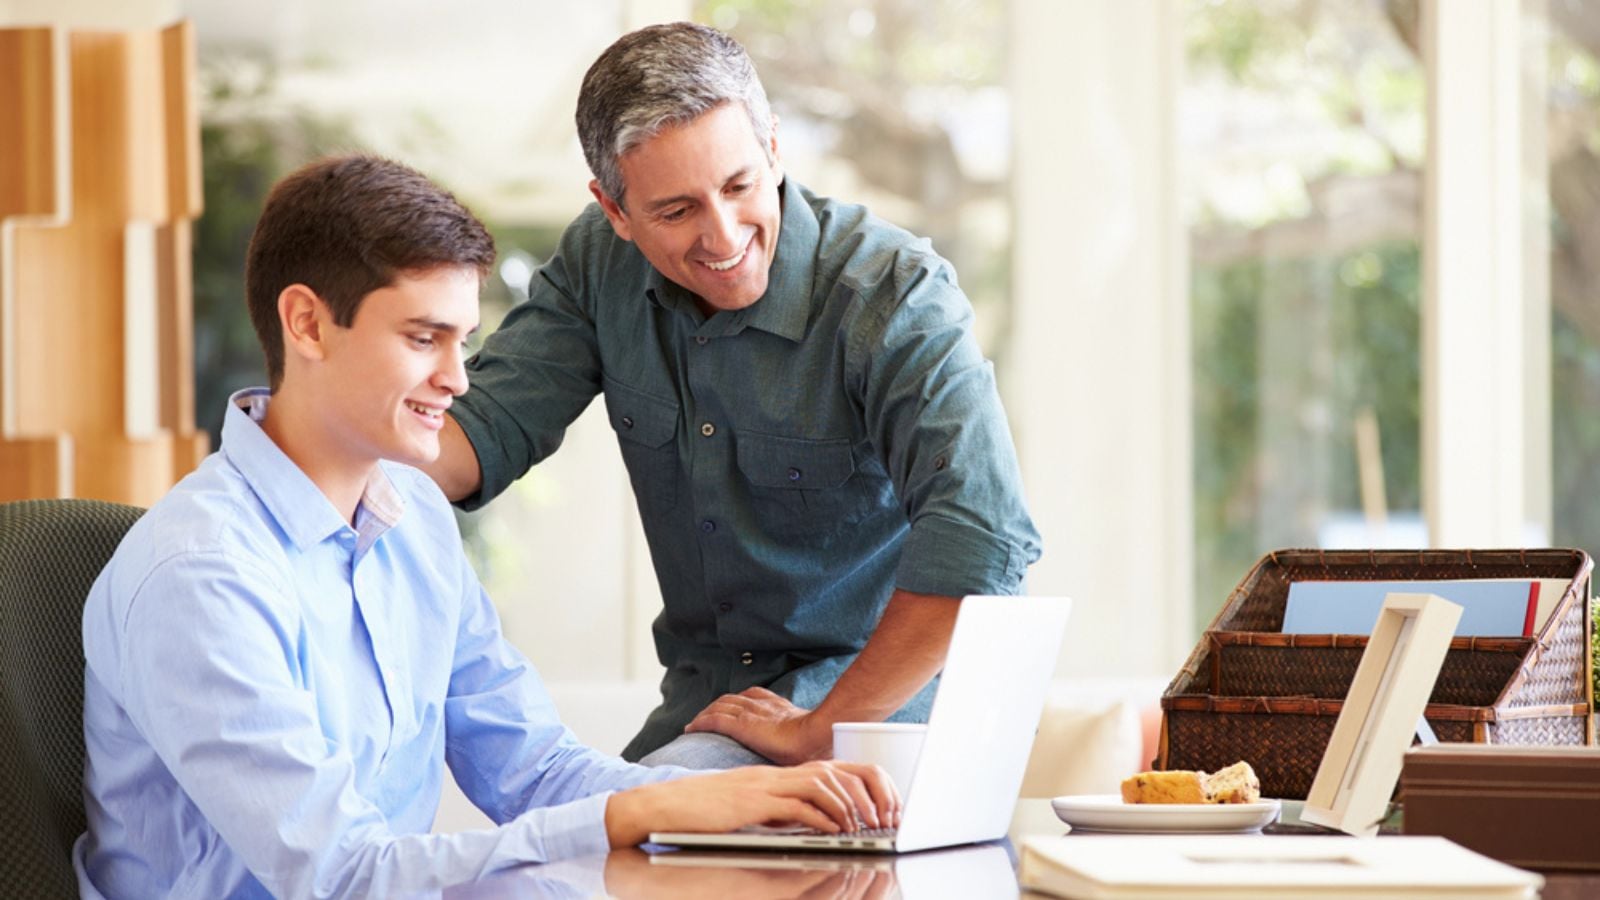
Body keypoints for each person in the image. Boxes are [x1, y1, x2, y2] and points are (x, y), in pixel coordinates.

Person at [72, 155, 895, 899]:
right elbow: (343, 876)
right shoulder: (202, 575)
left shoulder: (412, 514)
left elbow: (531, 767)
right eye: (423, 338)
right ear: (308, 324)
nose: (458, 379)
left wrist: (701, 810)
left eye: (463, 340)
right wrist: (636, 814)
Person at [424, 22, 1042, 770]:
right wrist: (323, 440)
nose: (722, 236)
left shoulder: (894, 294)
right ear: (615, 211)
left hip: (886, 722)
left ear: (773, 146)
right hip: (707, 715)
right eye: (676, 211)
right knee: (581, 834)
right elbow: (472, 439)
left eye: (740, 185)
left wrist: (822, 729)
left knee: (623, 831)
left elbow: (984, 538)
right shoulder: (599, 263)